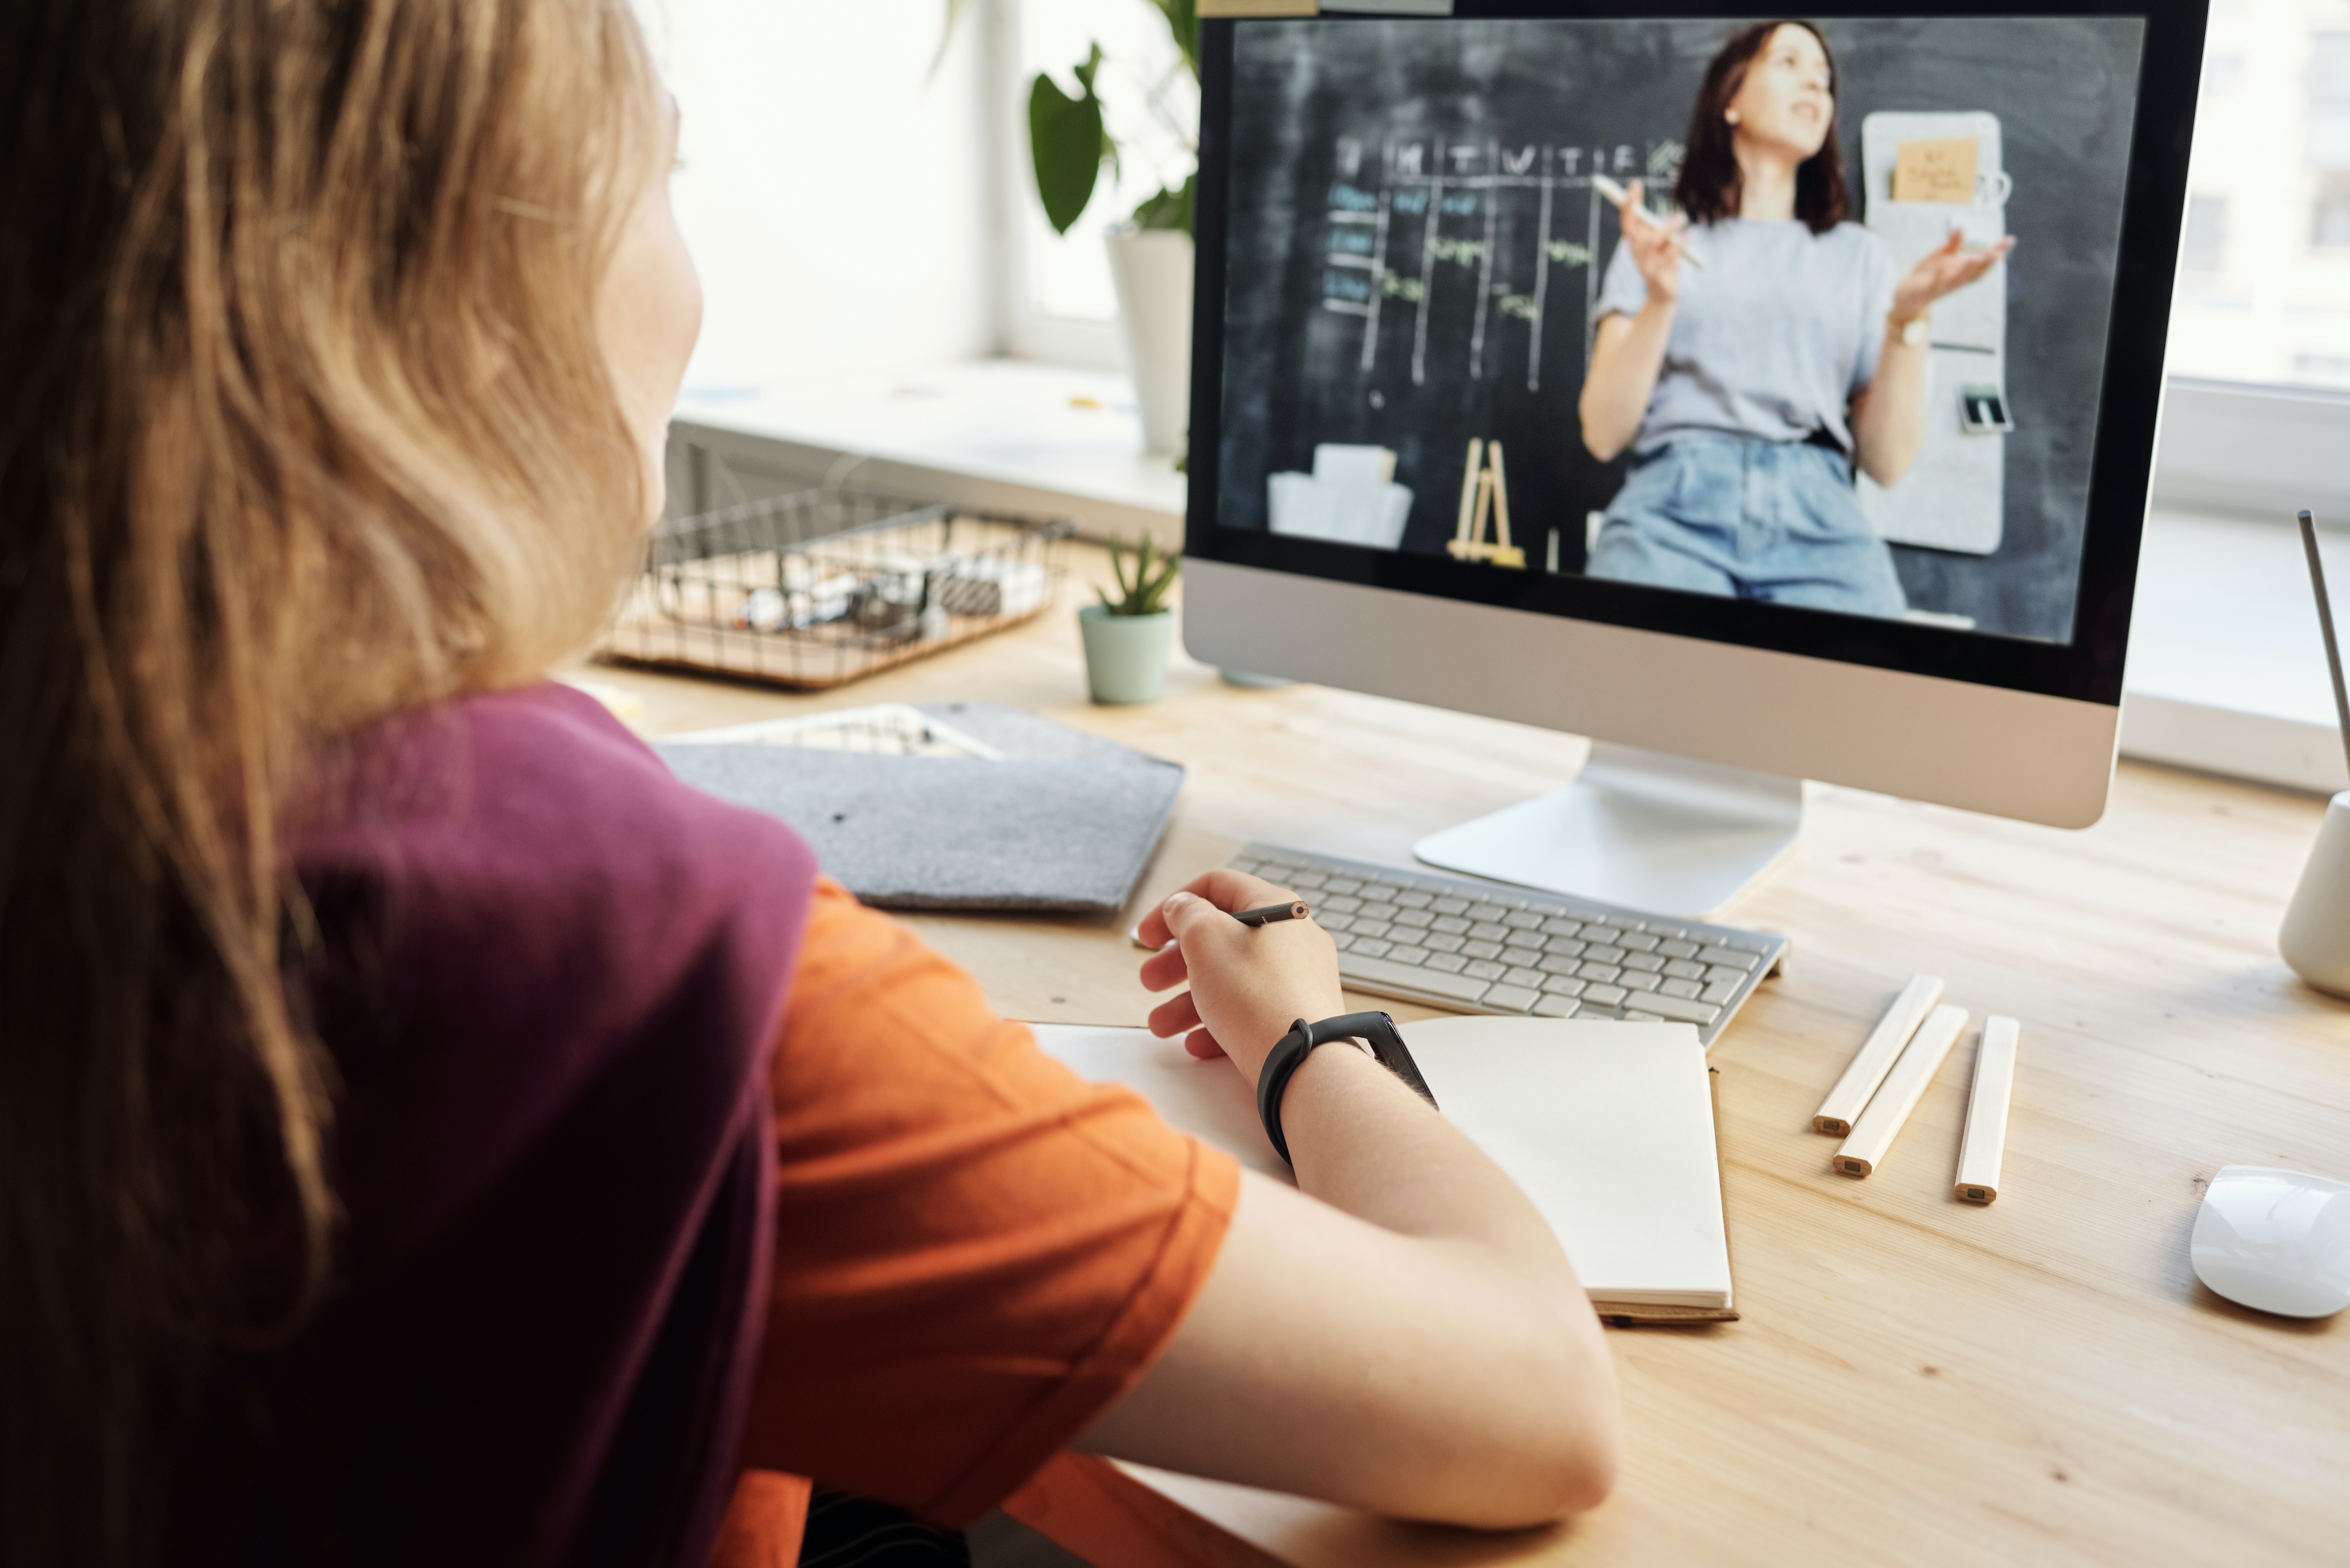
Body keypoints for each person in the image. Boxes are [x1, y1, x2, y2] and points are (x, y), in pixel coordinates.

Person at [0, 4, 1621, 1565]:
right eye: (664, 181)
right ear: (470, 277)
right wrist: (1309, 1031)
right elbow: (1530, 1394)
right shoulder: (634, 954)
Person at [1576, 19, 2012, 616]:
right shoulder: (1658, 245)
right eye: (1789, 64)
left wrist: (1907, 320)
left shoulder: (1859, 257)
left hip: (1820, 515)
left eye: (1824, 78)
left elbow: (1885, 464)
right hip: (1672, 508)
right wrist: (1662, 298)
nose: (1814, 84)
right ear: (1731, 98)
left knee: (1873, 692)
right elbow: (1603, 433)